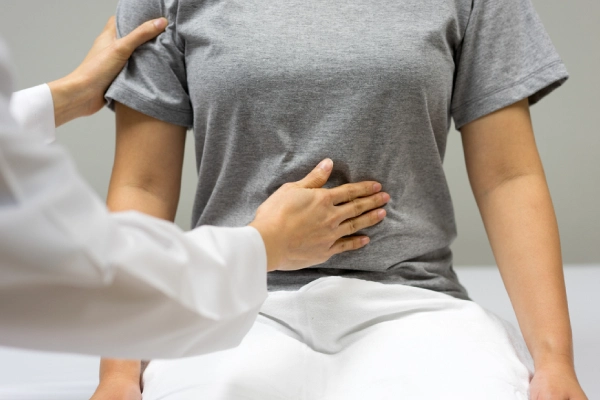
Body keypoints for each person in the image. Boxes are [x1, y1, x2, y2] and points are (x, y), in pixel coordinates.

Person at [94, 0, 588, 398]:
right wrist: (117, 373)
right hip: (231, 305)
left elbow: (508, 177)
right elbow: (143, 185)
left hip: (414, 303)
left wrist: (554, 362)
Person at [0, 17, 390, 359]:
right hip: (251, 314)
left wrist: (68, 96)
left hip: (402, 301)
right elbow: (94, 251)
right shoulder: (164, 8)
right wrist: (268, 243)